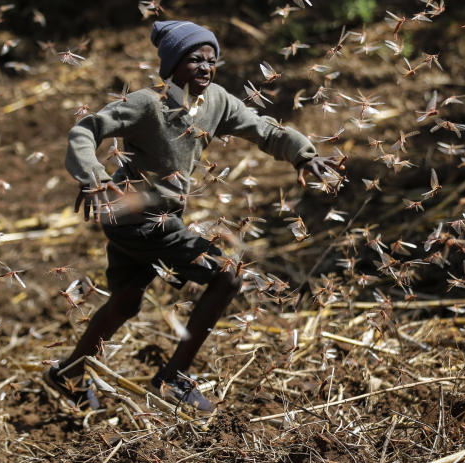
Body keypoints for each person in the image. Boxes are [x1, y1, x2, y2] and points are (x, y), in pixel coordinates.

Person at [44, 20, 342, 412]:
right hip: (134, 215)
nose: (204, 67)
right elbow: (86, 130)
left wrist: (305, 154)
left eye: (211, 60)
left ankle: (69, 372)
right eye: (193, 60)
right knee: (228, 275)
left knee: (126, 303)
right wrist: (94, 176)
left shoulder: (216, 101)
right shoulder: (148, 104)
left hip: (150, 219)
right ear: (171, 66)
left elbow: (264, 130)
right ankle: (173, 378)